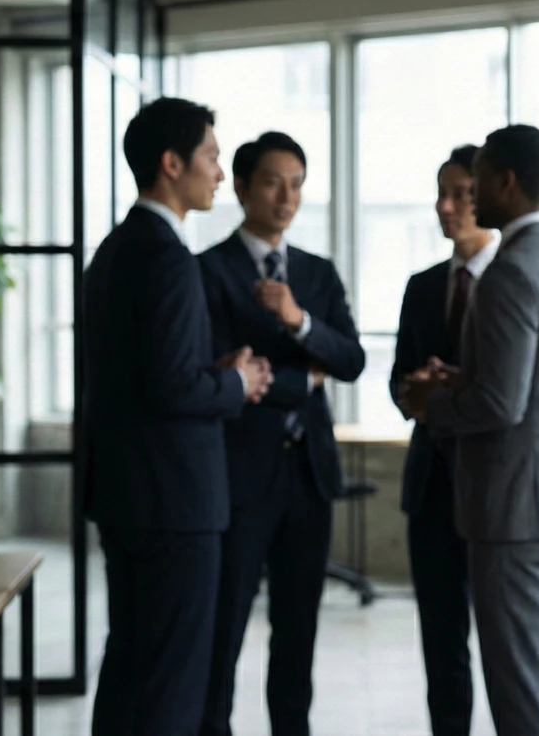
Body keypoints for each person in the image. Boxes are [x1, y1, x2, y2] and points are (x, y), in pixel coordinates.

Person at [402, 125, 539, 736]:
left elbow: (501, 403)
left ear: (506, 183)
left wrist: (432, 402)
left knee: (517, 683)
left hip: (513, 510)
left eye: (479, 179)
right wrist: (463, 380)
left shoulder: (509, 273)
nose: (469, 196)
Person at [84, 97, 274, 736]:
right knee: (173, 681)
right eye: (212, 157)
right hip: (174, 502)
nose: (220, 173)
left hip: (127, 495)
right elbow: (171, 388)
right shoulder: (167, 254)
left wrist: (209, 371)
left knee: (131, 667)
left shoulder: (115, 248)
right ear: (171, 164)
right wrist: (236, 382)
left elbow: (140, 373)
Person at [198, 131, 367, 736]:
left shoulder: (317, 275)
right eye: (272, 181)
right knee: (225, 629)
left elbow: (351, 360)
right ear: (241, 187)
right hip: (240, 477)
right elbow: (220, 373)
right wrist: (307, 382)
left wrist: (300, 322)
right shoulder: (207, 271)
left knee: (299, 633)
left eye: (296, 183)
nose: (286, 196)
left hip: (309, 476)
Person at [390, 143, 500, 736]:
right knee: (441, 640)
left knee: (508, 646)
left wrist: (443, 395)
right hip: (430, 484)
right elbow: (396, 384)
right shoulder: (422, 285)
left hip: (491, 486)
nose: (447, 206)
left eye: (460, 193)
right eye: (441, 193)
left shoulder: (510, 282)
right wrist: (420, 388)